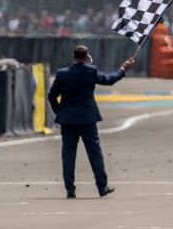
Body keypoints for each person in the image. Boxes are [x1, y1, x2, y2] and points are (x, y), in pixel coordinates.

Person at [47, 45, 135, 199]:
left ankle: (70, 189)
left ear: (73, 56)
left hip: (68, 119)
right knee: (95, 153)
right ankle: (102, 186)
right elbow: (109, 80)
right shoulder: (91, 71)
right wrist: (123, 69)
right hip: (87, 118)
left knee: (68, 155)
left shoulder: (62, 74)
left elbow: (52, 96)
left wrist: (60, 111)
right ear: (87, 56)